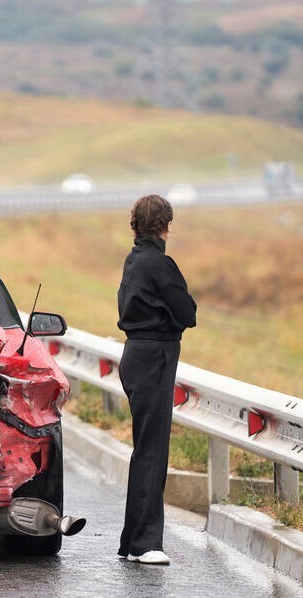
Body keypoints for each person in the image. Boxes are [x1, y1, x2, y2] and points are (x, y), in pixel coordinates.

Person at [116, 194, 197, 565]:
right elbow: (188, 312)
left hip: (137, 356)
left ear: (135, 224)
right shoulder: (160, 264)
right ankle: (145, 544)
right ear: (166, 224)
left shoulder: (134, 260)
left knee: (145, 451)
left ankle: (133, 542)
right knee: (152, 453)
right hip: (154, 360)